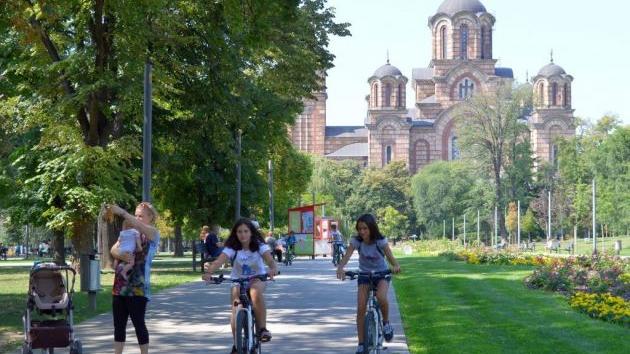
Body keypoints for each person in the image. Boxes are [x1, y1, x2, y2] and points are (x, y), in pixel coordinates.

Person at [202, 218, 277, 354]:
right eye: (239, 231)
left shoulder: (259, 245)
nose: (242, 234)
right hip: (237, 280)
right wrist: (208, 272)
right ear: (235, 233)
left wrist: (273, 269)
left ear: (251, 232)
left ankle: (262, 329)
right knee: (236, 304)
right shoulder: (232, 248)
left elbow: (270, 260)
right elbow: (219, 261)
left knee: (254, 292)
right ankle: (237, 344)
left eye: (246, 231)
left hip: (257, 278)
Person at [336, 214, 401, 354]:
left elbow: (391, 258)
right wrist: (341, 267)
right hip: (364, 275)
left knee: (381, 296)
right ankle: (361, 343)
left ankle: (386, 323)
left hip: (381, 274)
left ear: (372, 228)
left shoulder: (380, 241)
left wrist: (395, 266)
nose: (362, 232)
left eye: (365, 228)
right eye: (360, 229)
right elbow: (346, 256)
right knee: (360, 307)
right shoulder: (356, 241)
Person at [107, 202, 160, 354]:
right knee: (119, 326)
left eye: (141, 216)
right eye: (135, 215)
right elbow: (113, 249)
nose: (136, 218)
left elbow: (144, 235)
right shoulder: (129, 231)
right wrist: (120, 254)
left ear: (150, 218)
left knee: (139, 324)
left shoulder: (152, 233)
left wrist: (122, 213)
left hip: (138, 288)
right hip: (119, 287)